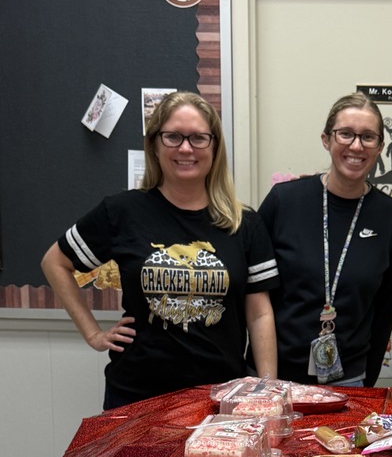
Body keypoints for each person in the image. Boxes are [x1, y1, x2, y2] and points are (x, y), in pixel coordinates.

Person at [41, 91, 279, 409]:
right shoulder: (122, 211)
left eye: (198, 138)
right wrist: (93, 334)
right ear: (155, 144)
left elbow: (260, 313)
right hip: (136, 396)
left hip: (220, 400)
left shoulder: (243, 223)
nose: (185, 148)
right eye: (173, 137)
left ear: (215, 146)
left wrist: (268, 390)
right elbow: (54, 262)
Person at [258, 92, 392, 386]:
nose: (356, 145)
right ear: (326, 139)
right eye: (346, 134)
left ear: (380, 147)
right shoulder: (284, 202)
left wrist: (369, 382)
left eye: (368, 137)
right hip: (274, 376)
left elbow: (385, 309)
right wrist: (263, 378)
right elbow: (252, 295)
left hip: (349, 380)